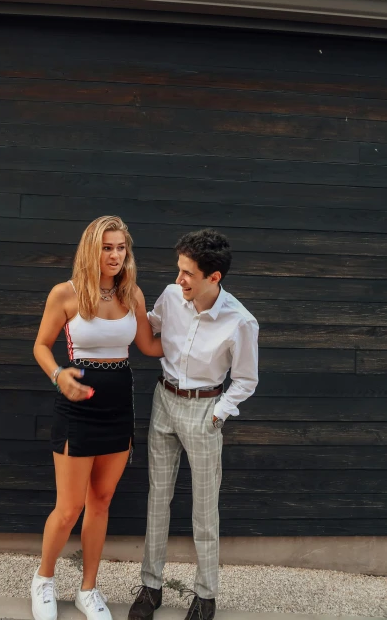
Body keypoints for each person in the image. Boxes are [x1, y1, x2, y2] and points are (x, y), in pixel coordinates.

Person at [31, 215, 162, 620]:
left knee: (101, 502)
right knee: (69, 508)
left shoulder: (133, 295)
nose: (116, 255)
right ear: (92, 249)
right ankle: (44, 580)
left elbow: (149, 346)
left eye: (121, 247)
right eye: (107, 247)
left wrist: (197, 326)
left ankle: (89, 589)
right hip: (78, 406)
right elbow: (40, 345)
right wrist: (58, 375)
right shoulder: (65, 294)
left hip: (120, 405)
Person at [129, 229, 259, 620]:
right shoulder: (171, 297)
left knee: (204, 509)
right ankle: (151, 588)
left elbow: (246, 380)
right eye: (178, 270)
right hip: (163, 402)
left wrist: (218, 414)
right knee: (157, 500)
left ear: (213, 277)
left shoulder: (240, 322)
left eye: (187, 273)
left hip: (205, 410)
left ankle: (205, 595)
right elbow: (149, 326)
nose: (178, 279)